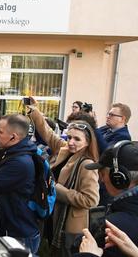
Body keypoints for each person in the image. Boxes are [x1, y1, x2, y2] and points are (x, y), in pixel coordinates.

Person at [27, 98, 100, 256]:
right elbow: (48, 133)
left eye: (77, 139)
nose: (71, 142)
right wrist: (34, 110)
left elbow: (91, 200)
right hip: (52, 217)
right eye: (70, 137)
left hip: (68, 225)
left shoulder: (87, 164)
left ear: (88, 142)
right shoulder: (65, 149)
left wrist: (57, 189)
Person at [75, 141, 138, 257]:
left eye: (103, 174)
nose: (102, 180)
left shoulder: (113, 227)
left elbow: (77, 245)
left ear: (118, 178)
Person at [0, 114, 40, 254]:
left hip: (20, 234)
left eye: (0, 132)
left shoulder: (20, 163)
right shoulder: (11, 153)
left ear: (14, 137)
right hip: (14, 228)